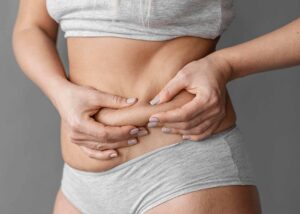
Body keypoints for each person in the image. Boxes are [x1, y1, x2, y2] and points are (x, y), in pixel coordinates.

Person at [11, 0, 299, 213]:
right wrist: (59, 91)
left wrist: (225, 64)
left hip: (184, 175)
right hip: (78, 188)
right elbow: (30, 27)